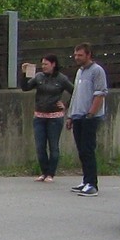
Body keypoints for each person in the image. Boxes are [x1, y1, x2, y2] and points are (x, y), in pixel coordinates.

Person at [19, 54, 72, 182]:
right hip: (39, 116)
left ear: (53, 64)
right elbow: (25, 88)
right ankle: (44, 172)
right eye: (42, 64)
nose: (43, 66)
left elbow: (74, 91)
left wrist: (65, 105)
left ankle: (50, 174)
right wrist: (24, 74)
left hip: (55, 117)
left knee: (53, 146)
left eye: (46, 64)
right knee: (40, 146)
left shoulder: (62, 79)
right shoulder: (39, 77)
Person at [67, 42, 109, 196]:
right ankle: (85, 181)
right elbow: (75, 95)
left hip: (89, 117)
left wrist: (90, 114)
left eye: (80, 55)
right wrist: (71, 115)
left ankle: (92, 184)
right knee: (82, 151)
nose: (77, 58)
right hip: (78, 116)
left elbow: (100, 94)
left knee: (88, 150)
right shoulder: (79, 72)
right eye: (75, 55)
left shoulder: (97, 71)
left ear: (89, 55)